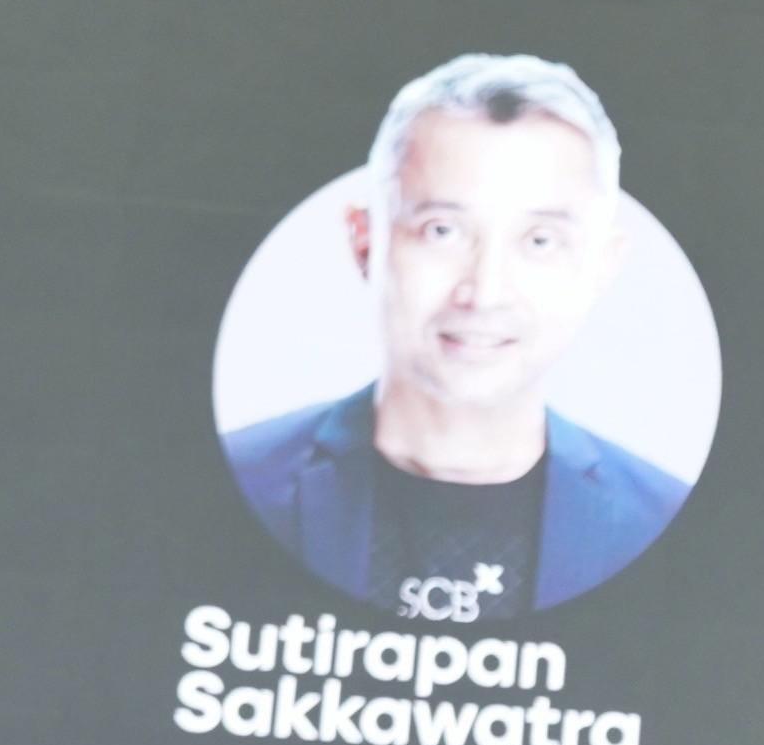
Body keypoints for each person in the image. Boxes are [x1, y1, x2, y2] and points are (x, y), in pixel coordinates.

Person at [223, 55, 691, 623]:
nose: (485, 293)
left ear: (602, 267)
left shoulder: (667, 522)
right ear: (365, 240)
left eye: (540, 241)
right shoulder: (233, 480)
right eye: (442, 231)